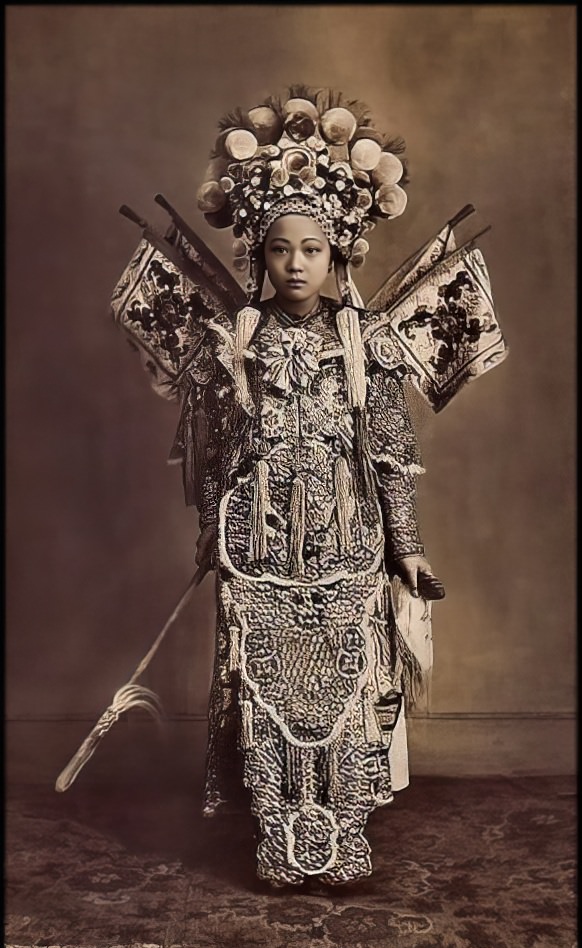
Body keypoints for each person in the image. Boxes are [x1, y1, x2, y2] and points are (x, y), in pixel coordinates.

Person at [111, 86, 507, 887]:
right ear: (258, 251)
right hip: (258, 548)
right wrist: (212, 539)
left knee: (346, 682)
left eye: (313, 250)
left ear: (340, 254)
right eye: (281, 249)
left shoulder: (367, 345)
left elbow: (388, 451)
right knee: (264, 687)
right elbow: (217, 453)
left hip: (347, 542)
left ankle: (343, 831)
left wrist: (408, 549)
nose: (296, 265)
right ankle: (278, 832)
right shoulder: (237, 344)